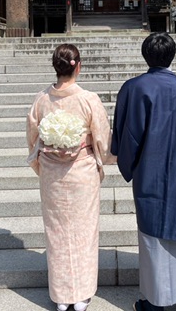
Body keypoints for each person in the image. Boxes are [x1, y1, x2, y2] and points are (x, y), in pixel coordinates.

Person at [111, 32, 176, 311]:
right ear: (172, 55)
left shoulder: (135, 87)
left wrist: (126, 163)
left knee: (153, 235)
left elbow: (128, 134)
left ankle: (154, 302)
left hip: (150, 170)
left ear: (145, 55)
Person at [27, 44, 113, 311]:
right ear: (78, 65)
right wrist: (106, 159)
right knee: (84, 231)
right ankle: (81, 295)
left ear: (56, 66)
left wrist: (45, 162)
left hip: (52, 174)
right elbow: (102, 139)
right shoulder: (88, 99)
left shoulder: (42, 99)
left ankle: (62, 296)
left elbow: (33, 139)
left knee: (57, 232)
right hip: (82, 171)